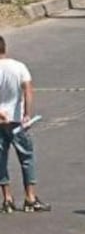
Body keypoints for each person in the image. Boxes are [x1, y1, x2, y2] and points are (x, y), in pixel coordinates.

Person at [0, 36, 49, 213]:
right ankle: (30, 197)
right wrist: (27, 115)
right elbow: (27, 90)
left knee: (1, 160)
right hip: (17, 121)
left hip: (0, 121)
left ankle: (7, 198)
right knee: (26, 158)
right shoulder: (19, 67)